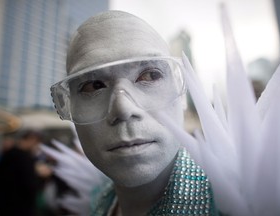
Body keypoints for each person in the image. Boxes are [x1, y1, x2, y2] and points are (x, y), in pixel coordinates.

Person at [50, 10, 219, 216]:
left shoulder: (245, 205)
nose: (123, 108)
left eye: (150, 75)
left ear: (180, 88)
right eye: (93, 86)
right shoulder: (98, 203)